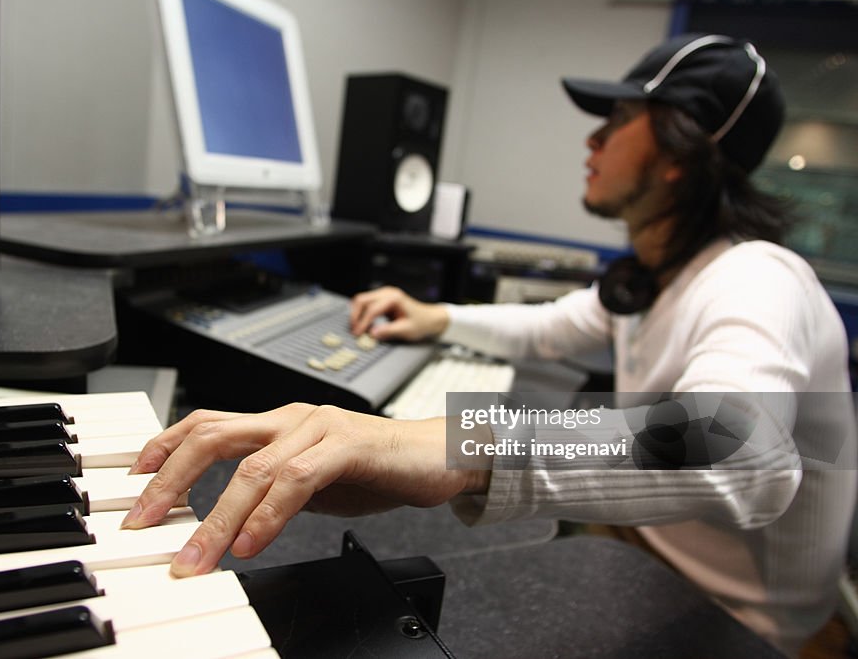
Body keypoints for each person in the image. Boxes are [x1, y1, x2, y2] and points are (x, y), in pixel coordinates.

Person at [122, 33, 857, 656]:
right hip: (640, 548)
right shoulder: (658, 277)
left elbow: (738, 443)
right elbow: (549, 326)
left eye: (622, 117)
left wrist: (454, 443)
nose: (592, 138)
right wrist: (435, 318)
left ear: (681, 152)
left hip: (746, 625)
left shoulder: (760, 277)